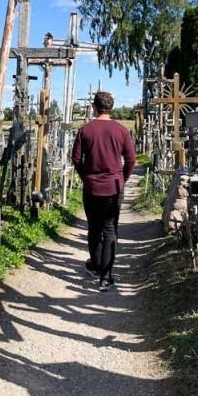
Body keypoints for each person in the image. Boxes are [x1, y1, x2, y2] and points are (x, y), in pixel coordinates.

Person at [71, 91, 136, 291]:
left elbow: (76, 158)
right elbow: (131, 159)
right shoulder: (121, 131)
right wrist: (122, 178)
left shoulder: (85, 130)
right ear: (111, 107)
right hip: (114, 187)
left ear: (94, 106)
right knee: (110, 230)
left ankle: (96, 265)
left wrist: (86, 176)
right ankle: (106, 277)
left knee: (94, 228)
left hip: (91, 187)